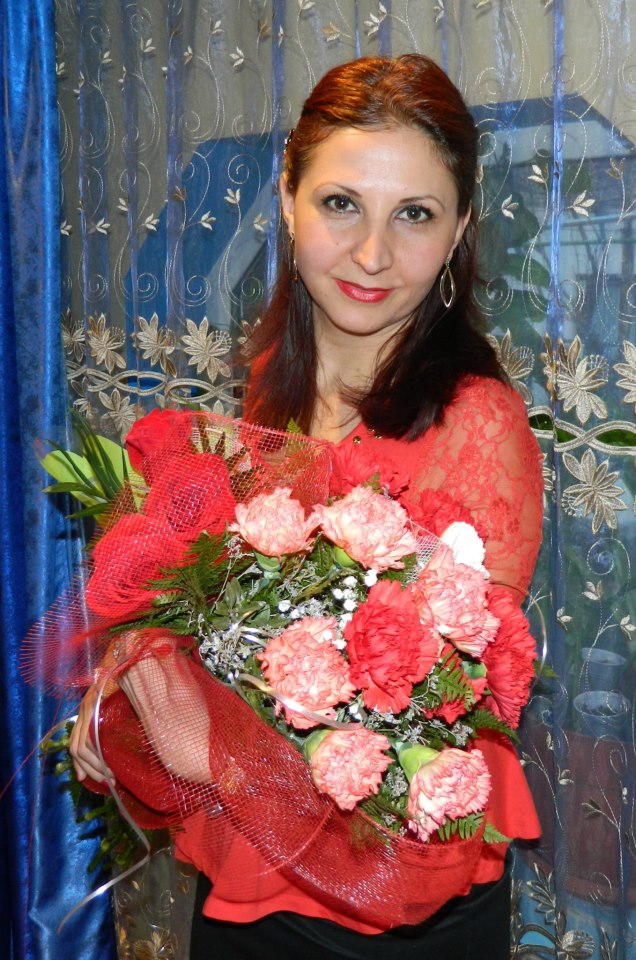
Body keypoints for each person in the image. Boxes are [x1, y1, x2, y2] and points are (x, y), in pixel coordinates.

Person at [70, 54, 543, 959]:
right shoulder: (270, 392)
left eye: (415, 214)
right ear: (288, 201)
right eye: (341, 204)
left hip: (395, 906)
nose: (372, 254)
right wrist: (129, 672)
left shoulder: (477, 425)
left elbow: (440, 717)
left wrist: (192, 730)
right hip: (251, 879)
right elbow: (206, 616)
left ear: (459, 230)